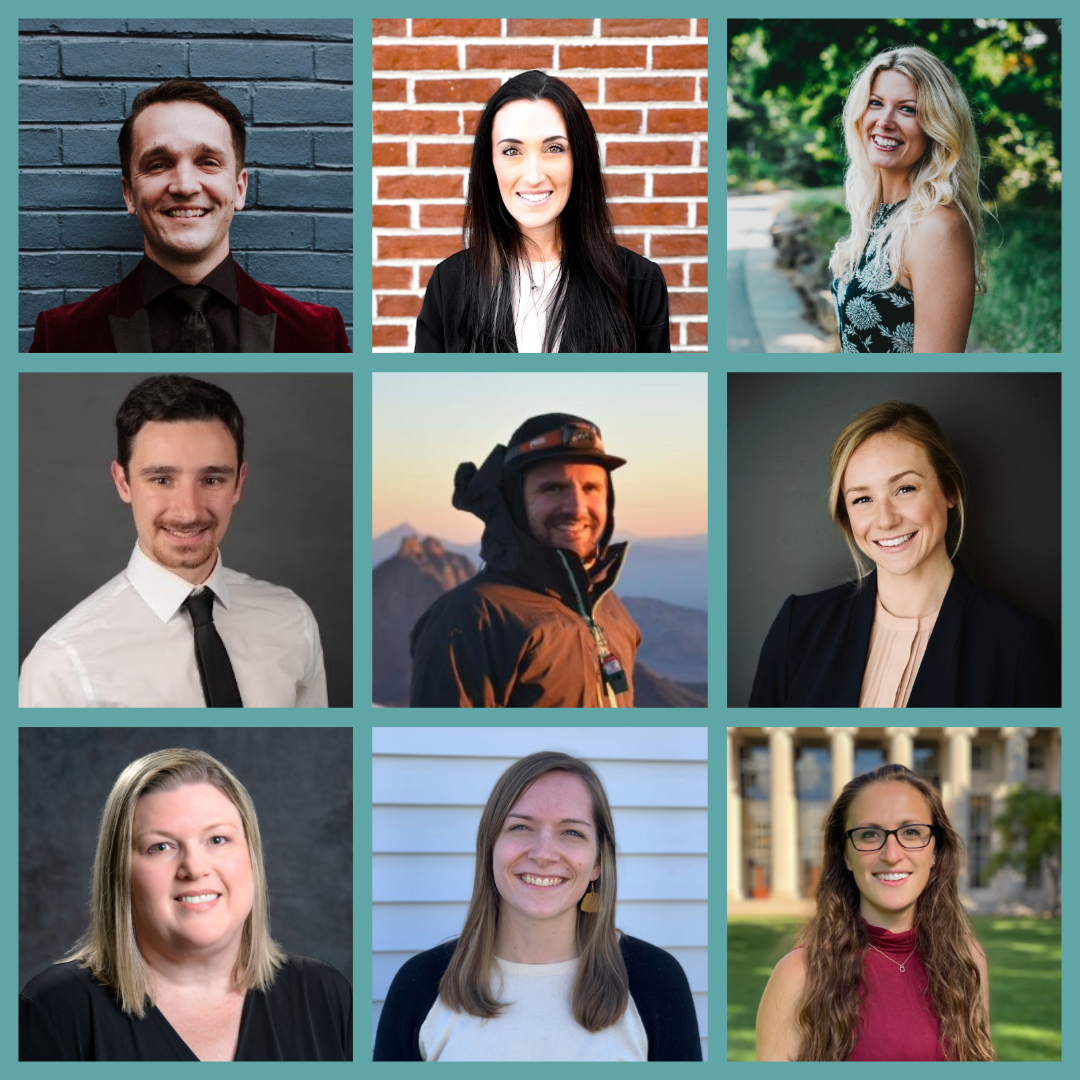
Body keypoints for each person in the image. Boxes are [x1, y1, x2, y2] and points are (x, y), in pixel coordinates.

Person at [19, 748, 352, 1061]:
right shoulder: (56, 1010)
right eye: (160, 847)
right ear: (118, 872)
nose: (194, 868)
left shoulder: (323, 995)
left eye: (217, 840)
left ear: (251, 856)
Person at [19, 375, 327, 707]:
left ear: (238, 483)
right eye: (162, 479)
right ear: (123, 483)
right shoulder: (61, 666)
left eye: (211, 479)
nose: (188, 511)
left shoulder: (293, 621)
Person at [374, 751, 700, 1060]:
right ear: (491, 849)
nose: (543, 853)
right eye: (520, 827)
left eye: (572, 832)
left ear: (598, 862)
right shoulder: (420, 984)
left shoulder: (655, 982)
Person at [749, 400, 1056, 707]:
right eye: (862, 499)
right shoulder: (797, 626)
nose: (885, 519)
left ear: (949, 490)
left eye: (905, 489)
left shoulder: (1020, 644)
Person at [29, 78, 350, 353]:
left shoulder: (318, 334)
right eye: (158, 164)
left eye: (208, 162)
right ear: (130, 194)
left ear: (239, 189)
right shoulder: (60, 337)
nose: (184, 186)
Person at [414, 70, 671, 352]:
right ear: (490, 165)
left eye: (554, 148)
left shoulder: (639, 283)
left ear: (579, 160)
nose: (534, 175)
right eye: (512, 151)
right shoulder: (450, 283)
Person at [756, 763, 992, 1061]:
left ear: (934, 851)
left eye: (911, 832)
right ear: (846, 856)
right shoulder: (799, 975)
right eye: (869, 834)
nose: (892, 855)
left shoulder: (967, 959)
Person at [409, 413, 640, 707]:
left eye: (591, 488)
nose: (577, 508)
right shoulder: (469, 620)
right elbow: (447, 745)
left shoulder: (611, 610)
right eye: (553, 488)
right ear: (514, 501)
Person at [829, 46, 984, 353]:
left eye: (907, 109)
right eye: (875, 103)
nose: (885, 121)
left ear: (935, 126)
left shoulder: (936, 227)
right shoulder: (875, 215)